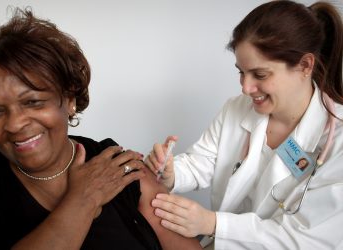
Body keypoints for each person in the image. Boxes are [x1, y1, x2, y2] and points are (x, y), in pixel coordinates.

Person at [0, 8, 202, 250]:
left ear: (69, 100)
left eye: (32, 102)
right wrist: (83, 200)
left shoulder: (117, 166)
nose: (13, 124)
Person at [145, 1, 343, 249]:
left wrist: (214, 224)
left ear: (305, 65)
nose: (246, 88)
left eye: (260, 75)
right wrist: (173, 174)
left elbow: (306, 238)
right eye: (241, 72)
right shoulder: (237, 109)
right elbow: (203, 161)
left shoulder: (338, 141)